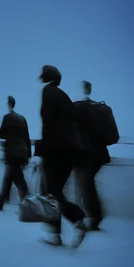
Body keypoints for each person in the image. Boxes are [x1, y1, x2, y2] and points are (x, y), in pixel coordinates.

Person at [37, 65, 87, 249]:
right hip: (71, 150)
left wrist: (44, 151)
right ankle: (55, 235)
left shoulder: (48, 91)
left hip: (57, 150)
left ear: (47, 77)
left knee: (52, 194)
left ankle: (77, 220)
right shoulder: (63, 96)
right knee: (54, 192)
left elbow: (48, 123)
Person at [73, 80, 111, 231]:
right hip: (100, 154)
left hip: (82, 154)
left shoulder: (75, 108)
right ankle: (91, 216)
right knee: (87, 184)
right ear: (90, 90)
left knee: (84, 185)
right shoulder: (100, 107)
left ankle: (92, 218)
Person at [0, 95, 31, 210]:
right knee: (10, 177)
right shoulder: (22, 118)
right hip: (22, 152)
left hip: (12, 152)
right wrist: (28, 155)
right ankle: (0, 202)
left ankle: (27, 200)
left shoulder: (7, 117)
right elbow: (27, 137)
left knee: (16, 177)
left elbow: (1, 133)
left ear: (9, 104)